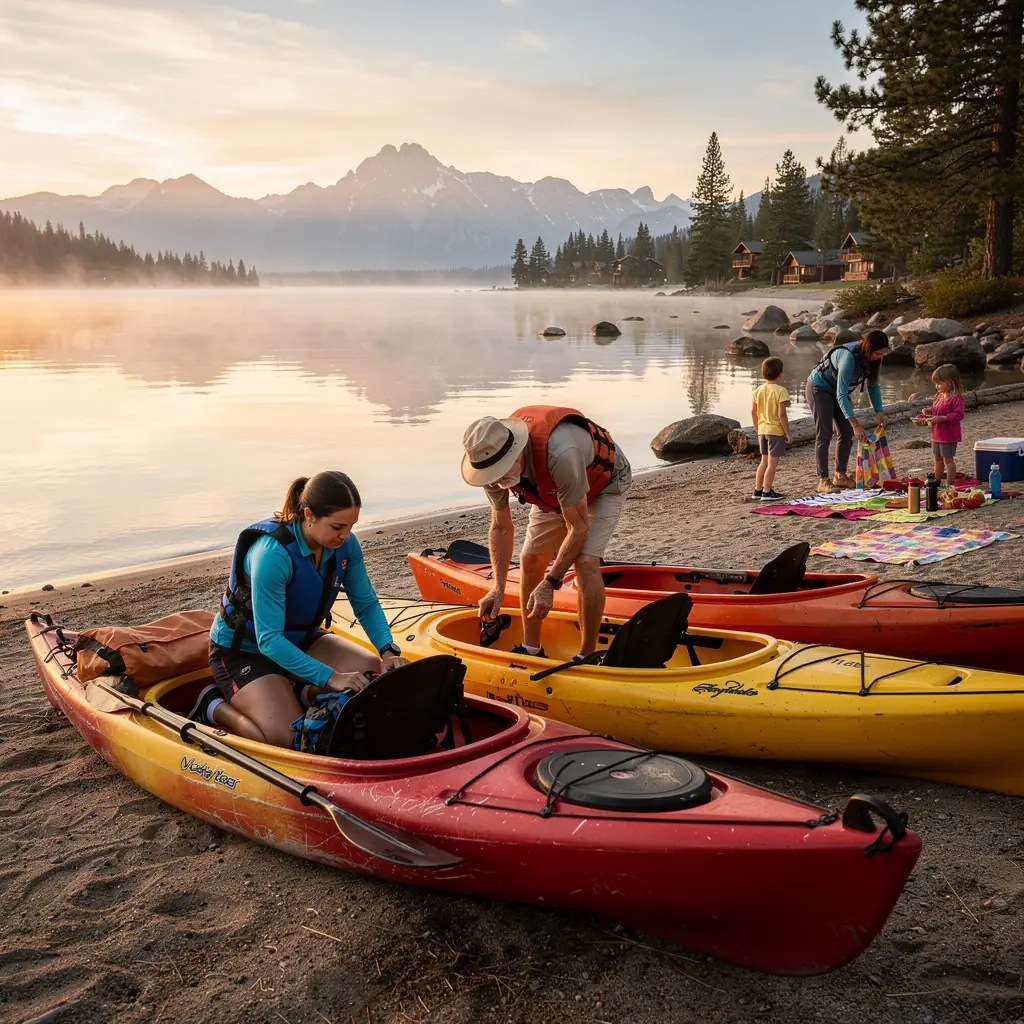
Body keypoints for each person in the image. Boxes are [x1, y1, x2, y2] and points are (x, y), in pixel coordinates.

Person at [188, 471, 407, 748]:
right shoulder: (272, 554)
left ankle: (300, 692)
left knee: (370, 672)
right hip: (244, 652)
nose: (346, 536)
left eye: (351, 526)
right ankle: (212, 705)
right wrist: (331, 677)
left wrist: (387, 650)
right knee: (287, 738)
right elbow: (268, 640)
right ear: (308, 515)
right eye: (338, 527)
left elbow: (365, 602)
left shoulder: (345, 546)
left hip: (299, 641)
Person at [461, 406, 632, 660]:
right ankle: (532, 648)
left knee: (585, 561)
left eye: (499, 474)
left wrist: (550, 583)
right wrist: (497, 587)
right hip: (555, 492)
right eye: (489, 477)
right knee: (530, 559)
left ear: (516, 454)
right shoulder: (490, 465)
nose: (495, 484)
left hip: (603, 484)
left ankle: (587, 654)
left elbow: (579, 528)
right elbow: (500, 526)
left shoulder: (560, 453)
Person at [805, 330, 890, 494]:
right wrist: (856, 424)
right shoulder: (848, 357)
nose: (879, 357)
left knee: (845, 432)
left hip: (838, 391)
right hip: (819, 388)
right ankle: (823, 480)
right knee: (825, 432)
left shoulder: (873, 361)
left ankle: (840, 476)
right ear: (868, 348)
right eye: (877, 353)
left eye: (882, 354)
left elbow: (873, 386)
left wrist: (879, 411)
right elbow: (841, 394)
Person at [751, 356, 793, 502]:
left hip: (762, 430)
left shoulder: (758, 390)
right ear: (780, 374)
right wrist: (788, 433)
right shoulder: (781, 391)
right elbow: (782, 414)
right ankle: (767, 492)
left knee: (763, 462)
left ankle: (758, 490)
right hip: (775, 432)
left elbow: (753, 412)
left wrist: (757, 429)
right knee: (772, 464)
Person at [920, 363, 965, 483]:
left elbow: (959, 415)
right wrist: (928, 411)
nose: (936, 386)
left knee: (948, 460)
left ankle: (950, 484)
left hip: (948, 435)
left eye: (939, 383)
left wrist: (943, 418)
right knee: (937, 458)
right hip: (936, 434)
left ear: (950, 382)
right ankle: (937, 481)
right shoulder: (938, 396)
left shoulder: (956, 398)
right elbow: (936, 410)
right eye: (936, 383)